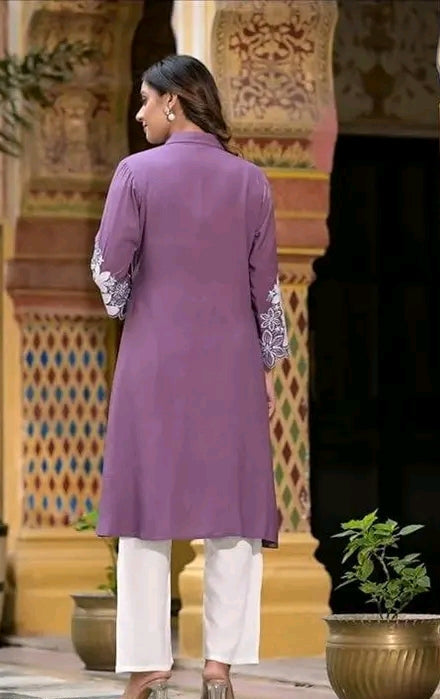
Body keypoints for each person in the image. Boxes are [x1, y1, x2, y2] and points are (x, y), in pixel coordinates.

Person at [91, 54, 289, 699]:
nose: (140, 113)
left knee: (145, 514)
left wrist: (142, 304)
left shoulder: (135, 174)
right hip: (232, 365)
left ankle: (148, 664)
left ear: (173, 102)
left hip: (153, 362)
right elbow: (267, 292)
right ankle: (219, 668)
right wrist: (265, 366)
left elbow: (110, 274)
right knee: (233, 516)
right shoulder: (252, 181)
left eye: (146, 101)